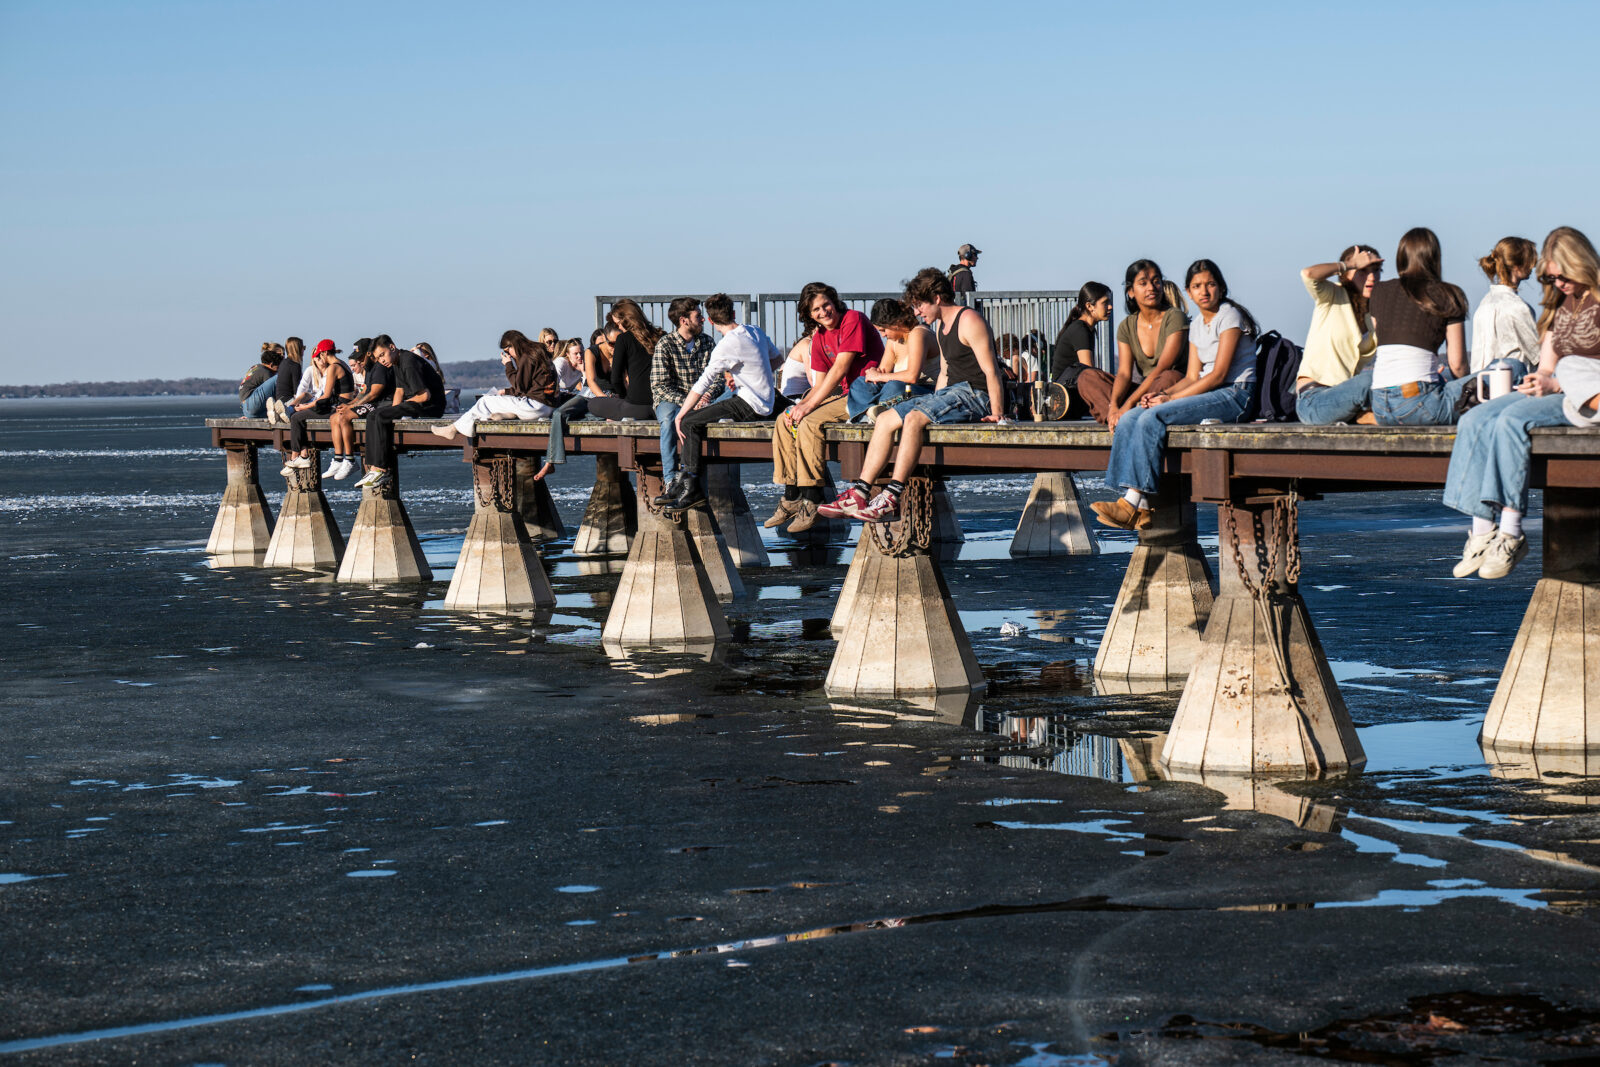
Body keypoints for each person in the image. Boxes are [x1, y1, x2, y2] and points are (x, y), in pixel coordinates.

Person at [1445, 226, 1600, 579]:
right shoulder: (1558, 305)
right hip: (1554, 386)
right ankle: (1482, 532)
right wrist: (1540, 379)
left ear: (1581, 264)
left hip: (1582, 395)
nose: (1558, 283)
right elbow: (1545, 363)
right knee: (1475, 419)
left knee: (1512, 421)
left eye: (1563, 275)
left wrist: (1557, 381)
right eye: (1550, 276)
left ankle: (1512, 532)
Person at [820, 267, 1004, 523]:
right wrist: (935, 400)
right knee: (885, 419)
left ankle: (891, 496)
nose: (916, 312)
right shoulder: (941, 326)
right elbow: (945, 373)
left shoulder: (969, 320)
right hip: (952, 393)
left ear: (937, 298)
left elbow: (990, 370)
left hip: (975, 395)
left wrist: (997, 414)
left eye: (919, 306)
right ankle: (860, 493)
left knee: (915, 418)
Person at [1088, 260, 1260, 531]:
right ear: (1188, 292)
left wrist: (1168, 401)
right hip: (1211, 391)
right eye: (1197, 286)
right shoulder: (1197, 324)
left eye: (1210, 284)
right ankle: (1139, 507)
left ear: (1222, 287)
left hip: (1235, 394)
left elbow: (1218, 374)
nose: (1204, 291)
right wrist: (1162, 395)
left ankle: (1131, 503)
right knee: (1134, 415)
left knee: (1152, 417)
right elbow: (1192, 376)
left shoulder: (1230, 316)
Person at [764, 282, 882, 533]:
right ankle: (791, 495)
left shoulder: (853, 320)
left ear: (835, 301)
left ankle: (812, 497)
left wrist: (808, 409)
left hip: (866, 393)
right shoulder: (818, 337)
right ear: (808, 315)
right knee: (784, 420)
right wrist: (800, 406)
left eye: (826, 304)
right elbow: (819, 382)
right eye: (816, 309)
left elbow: (840, 368)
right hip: (844, 394)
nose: (823, 312)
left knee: (810, 421)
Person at [660, 293, 785, 512]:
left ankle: (691, 487)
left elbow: (702, 384)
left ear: (710, 320)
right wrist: (754, 376)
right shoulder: (754, 331)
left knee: (690, 422)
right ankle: (683, 482)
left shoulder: (726, 346)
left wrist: (680, 415)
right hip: (767, 400)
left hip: (749, 405)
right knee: (708, 412)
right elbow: (777, 359)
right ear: (733, 313)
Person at [1368, 228, 1481, 425]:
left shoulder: (1379, 291)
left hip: (1380, 407)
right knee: (1510, 369)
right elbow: (1458, 365)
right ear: (1435, 257)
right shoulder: (1449, 295)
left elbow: (1384, 340)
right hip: (1420, 405)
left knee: (1441, 372)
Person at [1293, 245, 1383, 425]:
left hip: (1351, 400)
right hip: (1315, 401)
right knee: (1370, 380)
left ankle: (1364, 416)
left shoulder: (1375, 314)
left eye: (1376, 270)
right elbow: (1308, 274)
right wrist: (1349, 264)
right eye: (1363, 270)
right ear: (1346, 273)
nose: (1372, 277)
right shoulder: (1332, 294)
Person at [650, 298, 721, 500]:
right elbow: (660, 386)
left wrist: (706, 396)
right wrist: (689, 401)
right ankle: (671, 479)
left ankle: (695, 474)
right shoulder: (665, 344)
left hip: (702, 398)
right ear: (684, 320)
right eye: (698, 316)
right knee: (667, 420)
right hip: (672, 399)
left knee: (726, 402)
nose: (703, 320)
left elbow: (717, 378)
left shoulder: (707, 342)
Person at [430, 330, 556, 442]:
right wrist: (506, 392)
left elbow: (519, 386)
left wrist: (508, 365)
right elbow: (529, 387)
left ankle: (453, 429)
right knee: (497, 402)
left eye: (507, 351)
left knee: (484, 401)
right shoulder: (539, 354)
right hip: (547, 408)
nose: (510, 355)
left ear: (513, 345)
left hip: (534, 407)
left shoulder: (527, 357)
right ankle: (506, 415)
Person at [353, 335, 445, 488]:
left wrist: (395, 410)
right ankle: (373, 467)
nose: (382, 360)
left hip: (430, 406)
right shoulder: (396, 361)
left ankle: (382, 469)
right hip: (416, 403)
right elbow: (399, 390)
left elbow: (424, 395)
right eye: (378, 358)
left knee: (381, 415)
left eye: (382, 355)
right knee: (374, 415)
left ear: (392, 347)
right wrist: (394, 410)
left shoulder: (408, 362)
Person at [1107, 261, 1188, 428]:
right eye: (1143, 283)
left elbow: (1162, 368)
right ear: (1130, 292)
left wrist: (1128, 403)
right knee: (1089, 378)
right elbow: (1123, 373)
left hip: (1169, 387)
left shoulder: (1175, 317)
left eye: (1156, 281)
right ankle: (1116, 417)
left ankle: (1130, 415)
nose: (1151, 287)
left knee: (1167, 376)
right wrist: (1114, 405)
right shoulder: (1126, 326)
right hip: (1142, 391)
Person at [846, 298, 939, 422]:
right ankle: (869, 411)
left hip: (925, 390)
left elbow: (912, 376)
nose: (883, 335)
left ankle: (861, 410)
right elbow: (883, 372)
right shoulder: (893, 340)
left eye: (883, 330)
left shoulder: (919, 334)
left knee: (894, 387)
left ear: (897, 323)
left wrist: (878, 376)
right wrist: (874, 373)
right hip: (898, 389)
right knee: (860, 383)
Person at [1471, 237, 1540, 374]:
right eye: (1530, 262)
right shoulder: (1518, 307)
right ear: (1517, 266)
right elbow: (1538, 356)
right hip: (1512, 386)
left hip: (1479, 384)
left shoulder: (1485, 303)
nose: (1533, 267)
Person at [283, 340, 354, 473]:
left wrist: (305, 407)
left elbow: (326, 396)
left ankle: (298, 456)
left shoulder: (333, 367)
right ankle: (299, 456)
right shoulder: (342, 363)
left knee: (297, 417)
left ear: (325, 353)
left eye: (321, 355)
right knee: (298, 415)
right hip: (344, 405)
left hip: (338, 408)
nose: (321, 359)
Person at [588, 299, 660, 421]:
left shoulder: (624, 339)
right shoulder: (660, 335)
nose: (618, 327)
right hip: (660, 406)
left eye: (618, 323)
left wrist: (624, 397)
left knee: (593, 404)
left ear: (626, 320)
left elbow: (616, 379)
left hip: (636, 407)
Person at [1053, 282, 1115, 420]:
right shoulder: (1080, 330)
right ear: (1089, 306)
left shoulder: (1085, 328)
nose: (1110, 307)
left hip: (1071, 394)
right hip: (1068, 397)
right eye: (1105, 303)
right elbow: (1089, 374)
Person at [326, 340, 381, 480]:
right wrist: (349, 404)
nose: (359, 361)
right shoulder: (369, 370)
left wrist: (350, 407)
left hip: (379, 405)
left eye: (360, 358)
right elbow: (364, 394)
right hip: (369, 403)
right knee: (334, 417)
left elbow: (373, 394)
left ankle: (350, 459)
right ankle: (338, 459)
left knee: (344, 416)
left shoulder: (378, 368)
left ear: (369, 354)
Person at [239, 345, 282, 418]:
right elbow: (274, 393)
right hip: (252, 404)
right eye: (277, 367)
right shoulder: (265, 371)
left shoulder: (256, 367)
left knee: (276, 415)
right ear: (271, 365)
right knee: (280, 376)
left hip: (248, 411)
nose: (277, 370)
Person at [269, 338, 303, 425]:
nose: (304, 350)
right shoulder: (295, 366)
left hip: (280, 399)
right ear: (298, 349)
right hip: (289, 401)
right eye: (303, 347)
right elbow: (297, 391)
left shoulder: (283, 363)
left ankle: (277, 412)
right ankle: (287, 411)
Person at [778, 326, 816, 399]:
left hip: (787, 397)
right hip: (797, 397)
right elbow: (812, 378)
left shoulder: (784, 366)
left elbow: (779, 388)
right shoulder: (807, 344)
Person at [584, 325, 618, 397]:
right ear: (605, 339)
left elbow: (627, 380)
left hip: (614, 395)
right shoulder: (591, 352)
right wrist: (604, 398)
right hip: (590, 394)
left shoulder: (622, 352)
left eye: (619, 343)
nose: (615, 347)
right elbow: (591, 381)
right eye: (611, 343)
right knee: (567, 408)